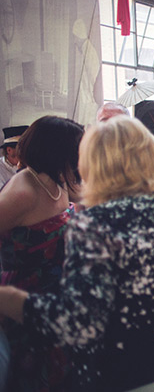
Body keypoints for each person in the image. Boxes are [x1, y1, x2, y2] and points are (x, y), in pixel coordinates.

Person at [0, 117, 154, 391]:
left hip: (149, 376)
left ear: (91, 166)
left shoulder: (92, 224)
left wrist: (11, 299)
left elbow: (77, 324)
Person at [0, 116, 84, 391]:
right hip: (25, 300)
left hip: (56, 296)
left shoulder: (59, 181)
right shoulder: (23, 190)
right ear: (57, 149)